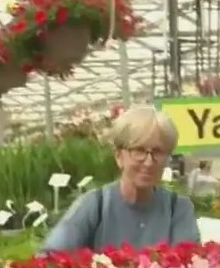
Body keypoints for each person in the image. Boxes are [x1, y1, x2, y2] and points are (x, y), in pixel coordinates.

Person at [40, 105, 201, 252]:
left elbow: (188, 263)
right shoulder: (95, 205)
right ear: (119, 156)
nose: (149, 162)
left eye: (158, 152)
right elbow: (50, 255)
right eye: (139, 150)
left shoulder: (177, 209)